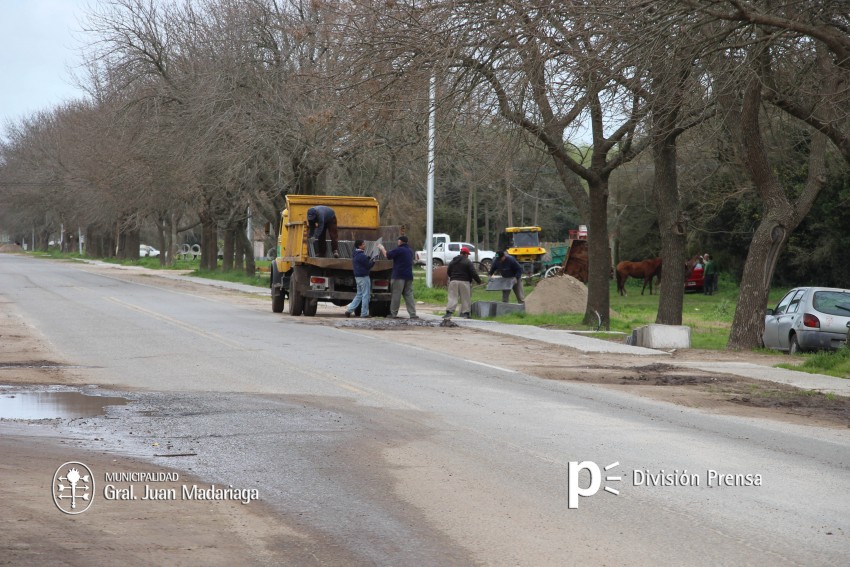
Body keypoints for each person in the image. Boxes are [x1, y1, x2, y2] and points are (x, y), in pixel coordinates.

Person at [379, 235, 417, 319]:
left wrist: (382, 248)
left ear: (400, 241)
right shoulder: (410, 251)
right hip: (409, 276)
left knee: (396, 295)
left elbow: (387, 255)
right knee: (409, 295)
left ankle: (393, 314)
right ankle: (413, 314)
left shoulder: (399, 250)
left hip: (398, 276)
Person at [444, 247, 481, 319]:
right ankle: (466, 314)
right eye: (468, 254)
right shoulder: (468, 262)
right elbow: (473, 272)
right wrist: (478, 281)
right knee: (465, 298)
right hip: (464, 282)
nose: (468, 256)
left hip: (453, 281)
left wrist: (453, 277)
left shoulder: (453, 261)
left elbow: (448, 271)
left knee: (452, 297)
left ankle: (449, 313)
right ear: (466, 254)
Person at [345, 239, 374, 318]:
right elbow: (368, 266)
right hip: (364, 277)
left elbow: (363, 261)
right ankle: (364, 313)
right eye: (363, 244)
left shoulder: (356, 254)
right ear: (359, 246)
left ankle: (349, 310)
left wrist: (368, 258)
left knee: (359, 295)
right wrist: (373, 261)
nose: (365, 245)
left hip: (358, 277)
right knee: (366, 295)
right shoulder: (362, 256)